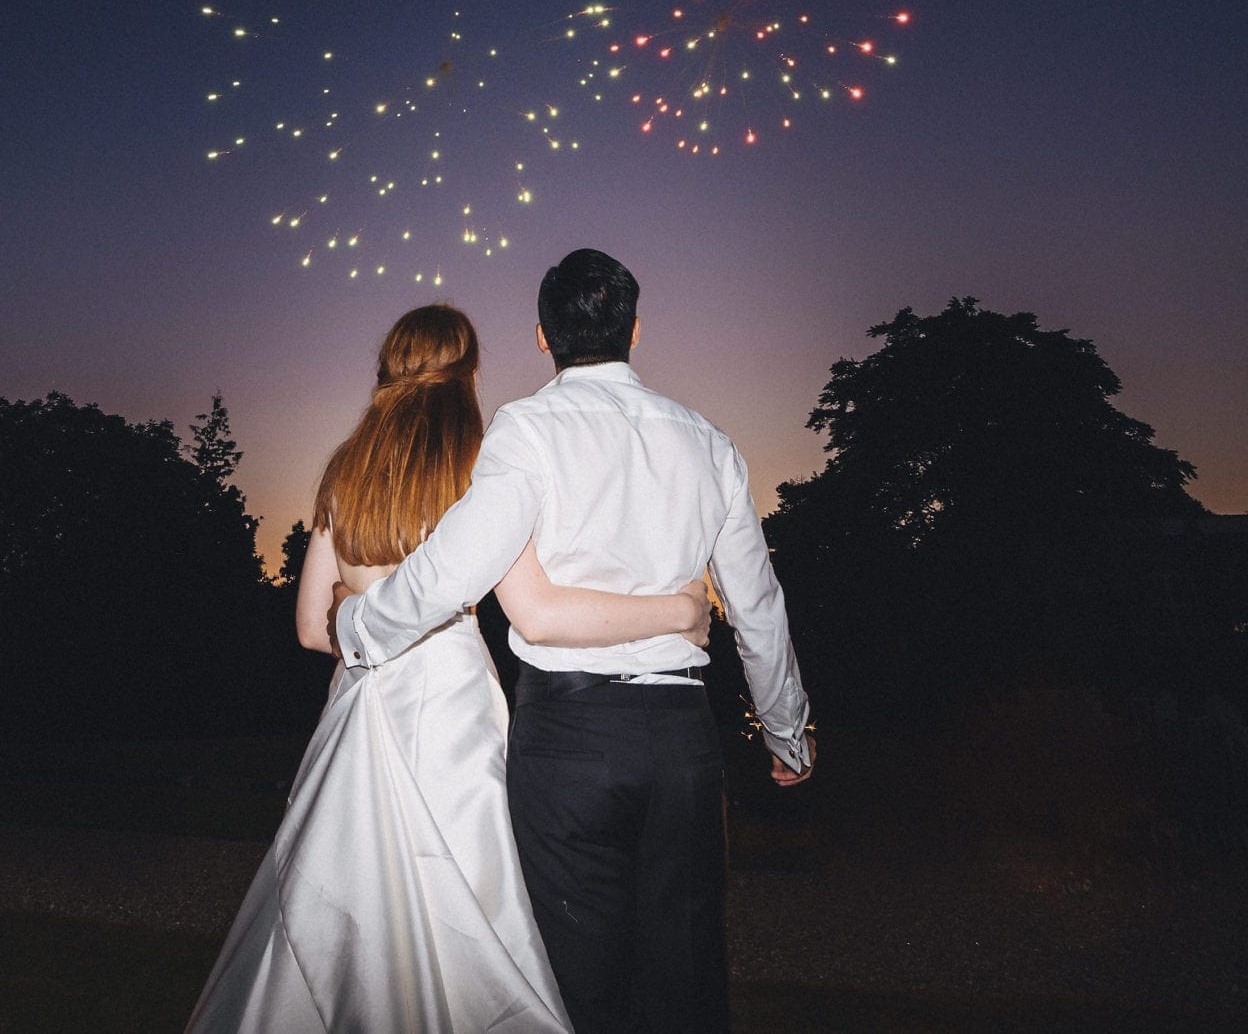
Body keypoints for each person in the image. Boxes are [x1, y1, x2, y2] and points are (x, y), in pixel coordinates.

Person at [187, 304, 711, 1033]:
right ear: (468, 369)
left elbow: (311, 627)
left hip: (357, 712)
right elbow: (533, 600)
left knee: (349, 900)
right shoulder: (480, 462)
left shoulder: (344, 470)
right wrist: (679, 610)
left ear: (389, 367)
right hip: (451, 703)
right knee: (471, 904)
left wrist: (354, 602)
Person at [333, 249, 814, 1034]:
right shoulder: (709, 443)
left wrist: (356, 625)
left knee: (577, 986)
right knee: (686, 976)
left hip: (568, 740)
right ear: (634, 328)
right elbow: (758, 603)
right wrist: (788, 733)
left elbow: (452, 569)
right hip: (682, 742)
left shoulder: (526, 430)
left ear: (541, 337)